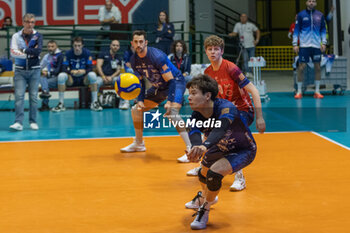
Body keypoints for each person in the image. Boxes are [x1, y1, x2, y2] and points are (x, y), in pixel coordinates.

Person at [185, 35, 265, 191]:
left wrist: (260, 117)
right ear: (206, 52)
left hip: (242, 110)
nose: (213, 52)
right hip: (224, 111)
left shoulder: (231, 68)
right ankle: (204, 165)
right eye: (210, 49)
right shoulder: (208, 72)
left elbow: (254, 90)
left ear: (222, 51)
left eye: (216, 49)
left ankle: (240, 177)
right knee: (209, 131)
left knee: (229, 136)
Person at [185, 74, 257, 230]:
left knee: (214, 174)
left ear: (207, 95)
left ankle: (205, 209)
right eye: (189, 93)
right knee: (203, 175)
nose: (189, 97)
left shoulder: (226, 108)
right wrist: (196, 149)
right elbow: (195, 134)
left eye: (193, 93)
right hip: (220, 146)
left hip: (242, 149)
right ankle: (206, 197)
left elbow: (221, 128)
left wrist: (205, 146)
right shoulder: (195, 115)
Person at [120, 30, 191, 158]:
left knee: (172, 113)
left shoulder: (156, 56)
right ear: (132, 43)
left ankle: (191, 149)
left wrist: (169, 100)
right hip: (158, 87)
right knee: (136, 109)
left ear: (146, 42)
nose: (139, 44)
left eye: (141, 41)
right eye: (136, 42)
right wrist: (140, 100)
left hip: (176, 82)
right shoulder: (134, 60)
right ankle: (139, 143)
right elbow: (139, 82)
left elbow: (172, 81)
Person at [9, 13, 42, 131]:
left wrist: (22, 50)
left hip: (34, 71)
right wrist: (29, 54)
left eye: (32, 22)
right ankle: (18, 122)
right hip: (20, 71)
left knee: (33, 97)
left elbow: (38, 52)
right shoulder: (16, 36)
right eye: (27, 22)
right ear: (23, 23)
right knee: (19, 97)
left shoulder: (38, 36)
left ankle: (33, 121)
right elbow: (13, 52)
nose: (30, 24)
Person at [52, 36, 102, 112]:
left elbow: (90, 68)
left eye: (79, 46)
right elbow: (64, 68)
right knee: (61, 76)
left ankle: (94, 103)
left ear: (82, 45)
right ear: (73, 45)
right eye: (75, 46)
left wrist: (84, 71)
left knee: (92, 75)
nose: (77, 48)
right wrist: (71, 72)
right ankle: (61, 104)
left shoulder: (87, 53)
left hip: (84, 79)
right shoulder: (68, 53)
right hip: (71, 79)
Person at [293, 0, 327, 99]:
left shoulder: (320, 15)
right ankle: (299, 91)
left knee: (317, 68)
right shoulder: (301, 15)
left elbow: (323, 30)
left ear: (316, 3)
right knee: (301, 67)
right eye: (309, 1)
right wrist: (295, 44)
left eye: (313, 1)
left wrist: (323, 43)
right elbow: (296, 30)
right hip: (304, 46)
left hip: (316, 46)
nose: (311, 3)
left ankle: (317, 91)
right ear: (306, 3)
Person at [96, 39, 129, 110]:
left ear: (119, 47)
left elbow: (118, 70)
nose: (115, 47)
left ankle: (123, 102)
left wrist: (111, 77)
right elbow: (98, 66)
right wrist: (103, 76)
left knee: (121, 80)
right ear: (110, 46)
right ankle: (95, 103)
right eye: (113, 45)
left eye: (117, 46)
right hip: (102, 77)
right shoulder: (103, 54)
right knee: (96, 82)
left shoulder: (119, 57)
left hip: (112, 78)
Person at [228, 13, 260, 78]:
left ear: (247, 18)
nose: (243, 18)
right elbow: (235, 33)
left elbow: (257, 31)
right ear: (240, 18)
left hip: (251, 45)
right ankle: (248, 72)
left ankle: (252, 73)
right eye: (242, 17)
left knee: (252, 60)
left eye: (244, 17)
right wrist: (231, 34)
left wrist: (257, 40)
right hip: (243, 46)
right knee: (245, 60)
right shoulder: (237, 25)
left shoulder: (251, 25)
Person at [38, 40, 64, 111]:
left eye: (52, 46)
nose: (50, 48)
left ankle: (45, 104)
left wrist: (48, 73)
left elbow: (59, 70)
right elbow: (40, 66)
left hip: (59, 78)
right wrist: (40, 71)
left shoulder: (60, 55)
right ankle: (45, 92)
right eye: (49, 46)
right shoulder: (46, 56)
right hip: (49, 78)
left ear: (56, 47)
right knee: (42, 78)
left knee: (45, 82)